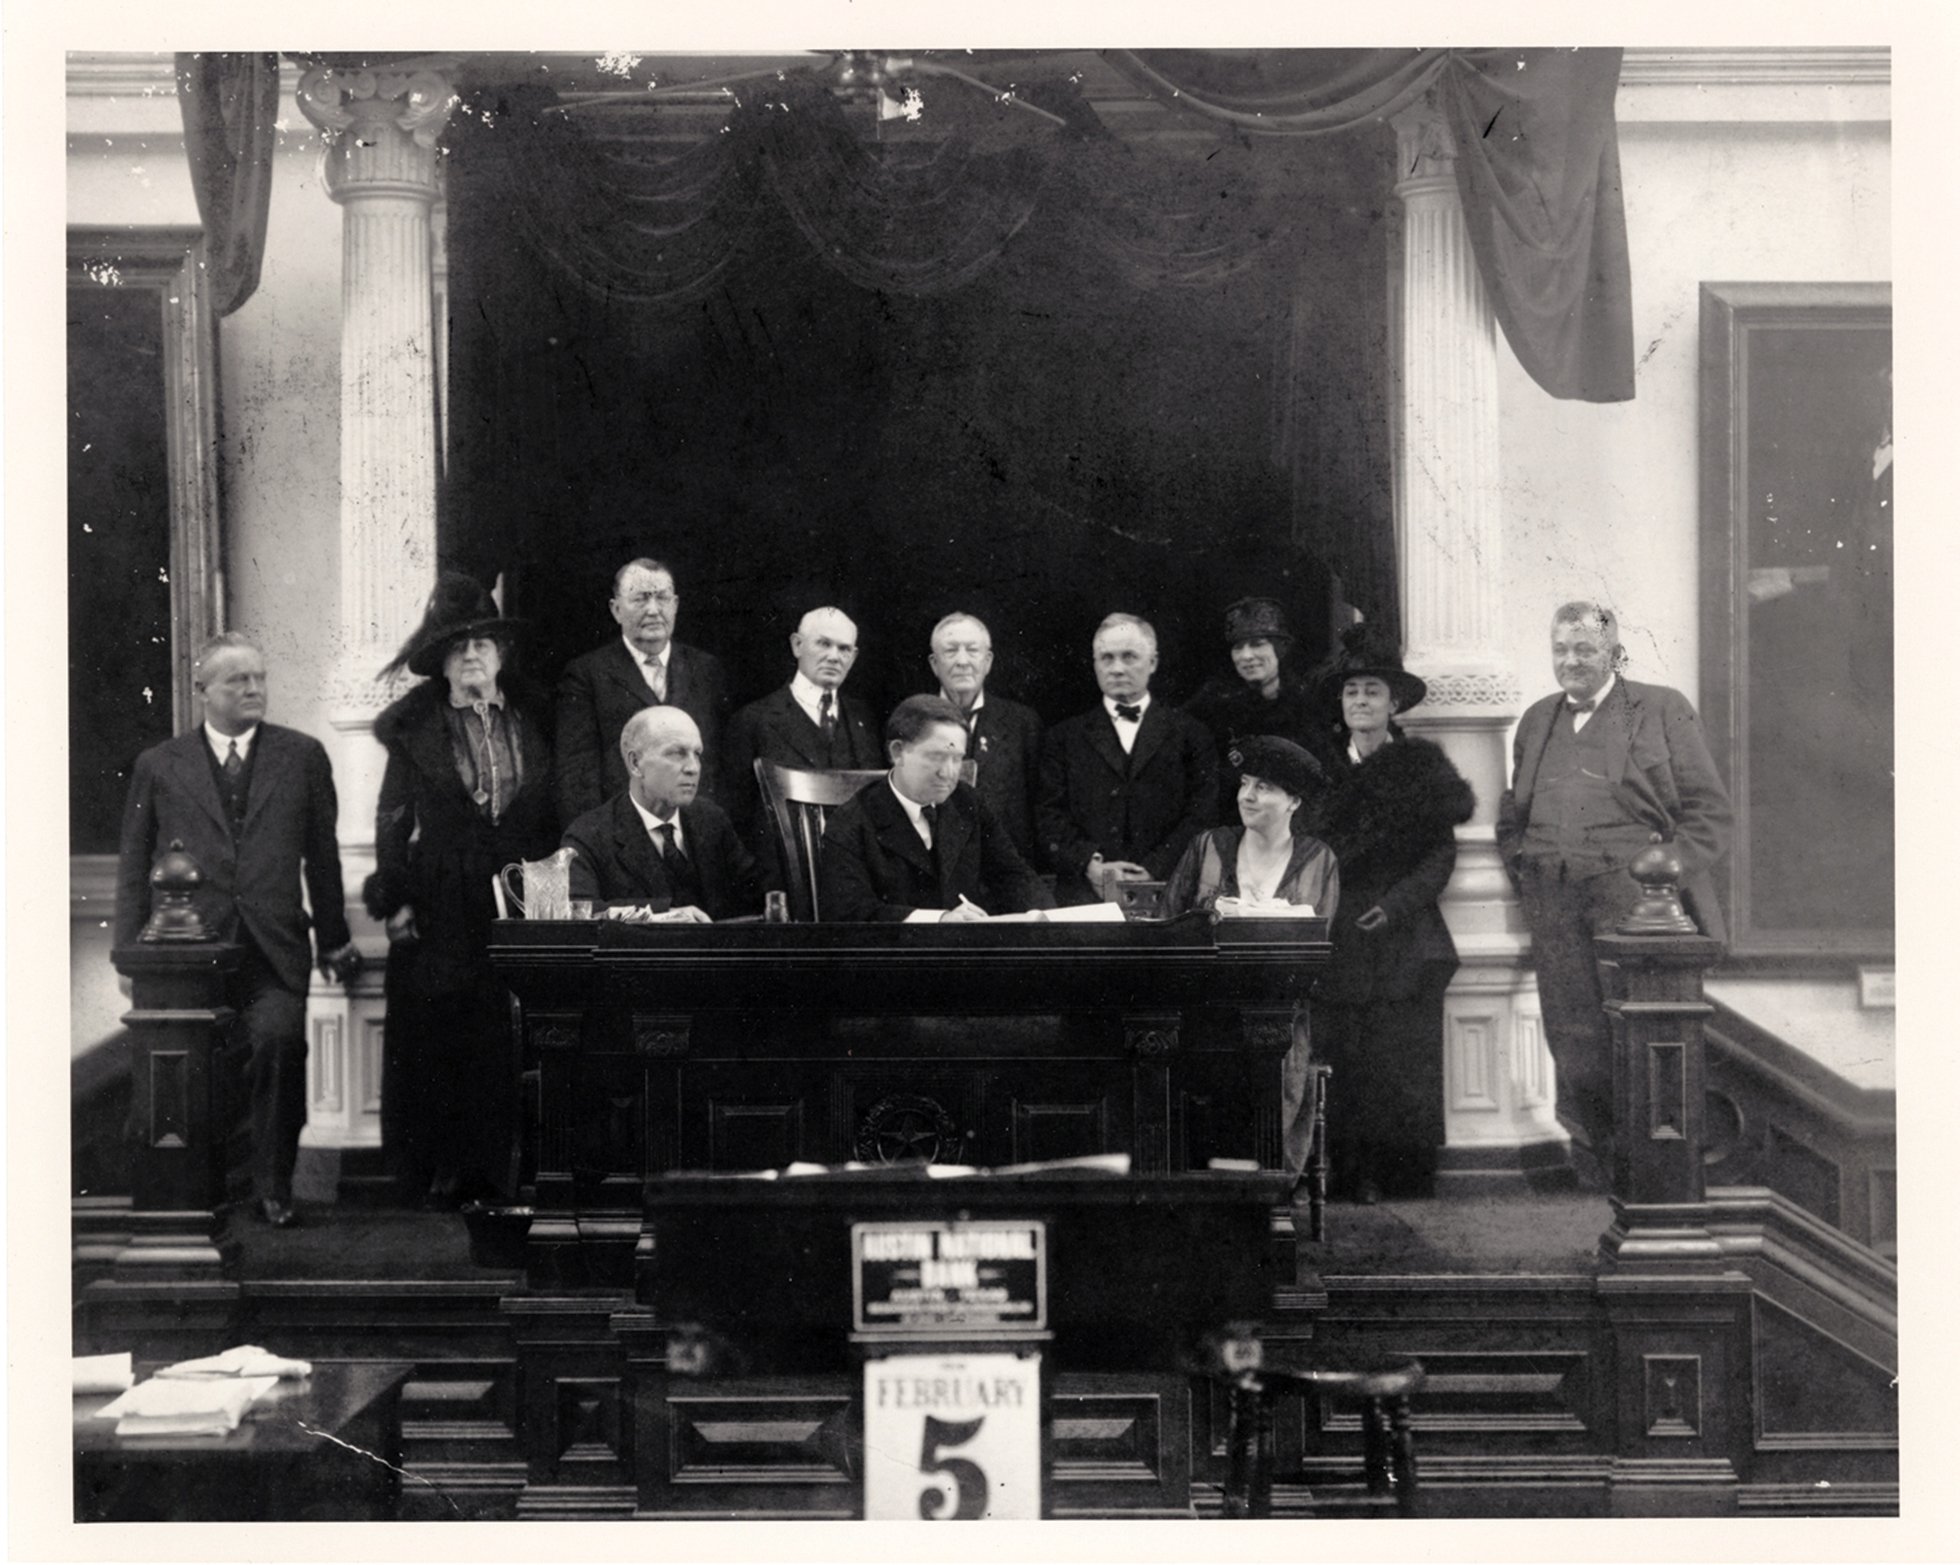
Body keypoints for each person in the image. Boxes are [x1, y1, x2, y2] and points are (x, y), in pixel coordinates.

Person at [114, 633, 361, 1228]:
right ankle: (205, 1188)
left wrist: (332, 938)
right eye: (237, 681)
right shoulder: (160, 766)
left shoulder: (302, 756)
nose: (254, 690)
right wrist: (130, 957)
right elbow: (133, 864)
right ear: (203, 691)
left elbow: (320, 858)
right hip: (189, 956)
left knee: (278, 1045)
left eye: (259, 678)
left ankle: (273, 1187)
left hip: (273, 950)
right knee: (195, 1066)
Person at [1496, 602, 1733, 1186]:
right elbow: (1513, 818)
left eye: (1585, 649)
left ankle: (1656, 1174)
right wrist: (1524, 865)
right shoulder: (1535, 720)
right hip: (1555, 902)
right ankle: (1607, 1165)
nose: (1571, 661)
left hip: (1634, 906)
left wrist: (1660, 877)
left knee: (1641, 1033)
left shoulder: (1659, 709)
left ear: (1613, 653)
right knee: (1572, 1037)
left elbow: (1709, 813)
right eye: (1561, 650)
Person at [365, 574, 560, 1208]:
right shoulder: (417, 729)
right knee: (442, 1030)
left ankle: (504, 1170)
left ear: (502, 654)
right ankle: (444, 1172)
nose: (471, 655)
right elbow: (393, 817)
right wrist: (395, 899)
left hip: (521, 892)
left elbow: (555, 811)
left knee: (510, 1032)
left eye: (481, 644)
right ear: (440, 663)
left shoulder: (537, 717)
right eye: (456, 648)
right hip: (442, 898)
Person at [1308, 626, 1475, 1203]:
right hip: (1338, 932)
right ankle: (1346, 1175)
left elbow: (1439, 855)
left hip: (1405, 935)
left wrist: (1395, 905)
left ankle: (1401, 1176)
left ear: (1394, 702)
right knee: (1345, 1056)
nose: (1360, 702)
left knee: (1401, 1061)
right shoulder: (1320, 774)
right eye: (1351, 691)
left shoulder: (1421, 769)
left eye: (1372, 691)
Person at [1161, 735, 1339, 1178]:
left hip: (1277, 1013)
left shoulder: (1317, 859)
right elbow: (1166, 923)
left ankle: (1264, 1195)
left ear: (1294, 800)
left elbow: (1314, 949)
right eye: (1244, 783)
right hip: (1201, 1005)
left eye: (1264, 787)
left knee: (1270, 1061)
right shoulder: (1208, 847)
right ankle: (1201, 1187)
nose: (1248, 796)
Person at [1037, 612, 1218, 905]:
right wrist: (1090, 865)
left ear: (1153, 662)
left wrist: (1153, 871)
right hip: (1085, 895)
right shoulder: (1063, 737)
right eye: (1106, 658)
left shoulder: (1191, 734)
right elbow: (1049, 815)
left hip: (1170, 891)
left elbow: (1202, 815)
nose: (1117, 668)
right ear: (1095, 664)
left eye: (1129, 656)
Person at [818, 696, 1051, 923]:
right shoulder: (851, 821)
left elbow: (1015, 876)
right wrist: (939, 920)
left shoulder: (968, 803)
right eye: (936, 757)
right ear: (898, 752)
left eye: (956, 759)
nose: (948, 773)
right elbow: (850, 912)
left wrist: (1047, 918)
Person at [554, 557, 730, 824]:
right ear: (616, 610)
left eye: (662, 598)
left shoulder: (706, 670)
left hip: (696, 834)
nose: (653, 609)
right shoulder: (586, 674)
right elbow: (578, 777)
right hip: (623, 835)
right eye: (640, 599)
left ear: (675, 605)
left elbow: (718, 764)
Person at [560, 707, 763, 921]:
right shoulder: (588, 836)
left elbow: (757, 896)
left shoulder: (712, 821)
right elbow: (578, 913)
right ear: (635, 764)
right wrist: (665, 915)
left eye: (697, 754)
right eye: (677, 753)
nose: (693, 768)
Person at [721, 605, 882, 839]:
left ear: (854, 657)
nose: (834, 656)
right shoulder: (753, 720)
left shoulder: (864, 720)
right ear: (797, 645)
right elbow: (736, 818)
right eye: (823, 644)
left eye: (844, 648)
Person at [1185, 596, 1330, 821]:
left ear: (1279, 649)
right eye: (1238, 647)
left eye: (1257, 644)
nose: (1246, 656)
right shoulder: (1212, 706)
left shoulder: (1307, 704)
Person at [925, 611, 1044, 861]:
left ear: (988, 661)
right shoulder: (914, 720)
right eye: (950, 651)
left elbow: (1036, 808)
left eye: (972, 650)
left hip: (1003, 869)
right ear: (934, 664)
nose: (962, 661)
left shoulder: (1022, 724)